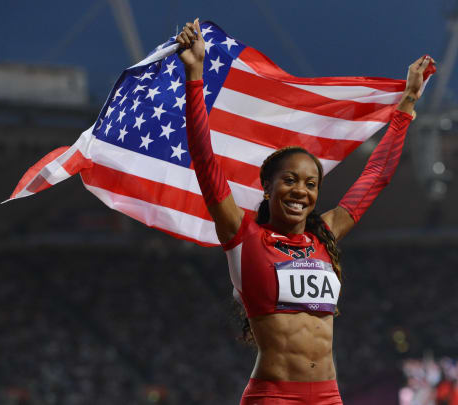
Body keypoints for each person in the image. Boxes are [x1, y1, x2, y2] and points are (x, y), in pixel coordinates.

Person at [176, 19, 434, 404]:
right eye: (290, 180)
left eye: (311, 183)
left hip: (328, 395)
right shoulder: (243, 235)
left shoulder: (323, 235)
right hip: (273, 397)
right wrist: (194, 75)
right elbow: (204, 159)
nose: (301, 191)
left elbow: (376, 177)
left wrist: (407, 104)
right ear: (267, 187)